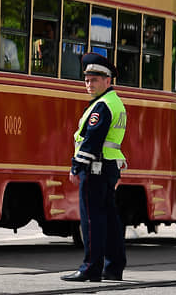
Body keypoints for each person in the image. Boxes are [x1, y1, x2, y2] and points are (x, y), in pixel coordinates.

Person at [62, 53, 127, 282]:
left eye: (95, 80)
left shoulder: (102, 106)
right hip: (108, 167)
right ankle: (113, 266)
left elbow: (91, 140)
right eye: (87, 80)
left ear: (108, 80)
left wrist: (76, 165)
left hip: (94, 168)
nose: (89, 84)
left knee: (91, 219)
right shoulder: (115, 102)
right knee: (109, 218)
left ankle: (90, 268)